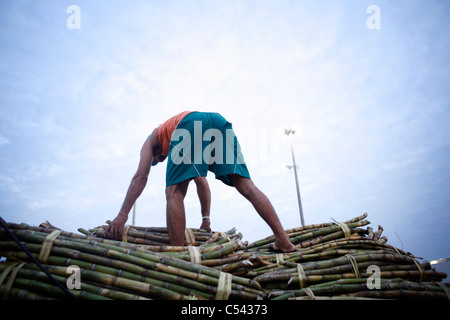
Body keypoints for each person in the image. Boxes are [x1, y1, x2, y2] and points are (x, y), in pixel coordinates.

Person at [106, 111, 296, 253]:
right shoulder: (174, 139)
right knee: (247, 186)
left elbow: (140, 177)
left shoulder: (151, 140)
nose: (162, 159)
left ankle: (177, 255)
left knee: (174, 191)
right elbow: (201, 181)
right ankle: (284, 241)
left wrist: (122, 215)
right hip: (218, 122)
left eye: (158, 159)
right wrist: (206, 220)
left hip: (190, 123)